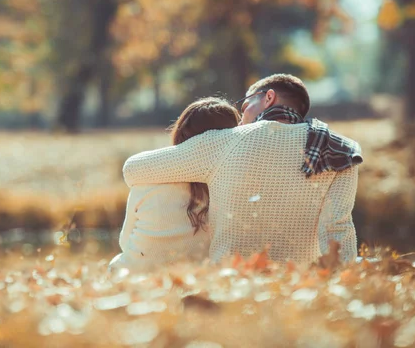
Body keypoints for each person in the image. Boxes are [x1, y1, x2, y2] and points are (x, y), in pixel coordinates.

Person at [123, 74, 363, 264]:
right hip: (293, 287)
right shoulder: (340, 151)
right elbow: (338, 231)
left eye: (245, 104)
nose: (240, 117)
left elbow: (133, 169)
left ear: (268, 98)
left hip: (231, 284)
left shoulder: (226, 141)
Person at [110, 97, 240, 271]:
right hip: (196, 277)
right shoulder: (231, 189)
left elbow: (125, 241)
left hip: (133, 273)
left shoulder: (147, 179)